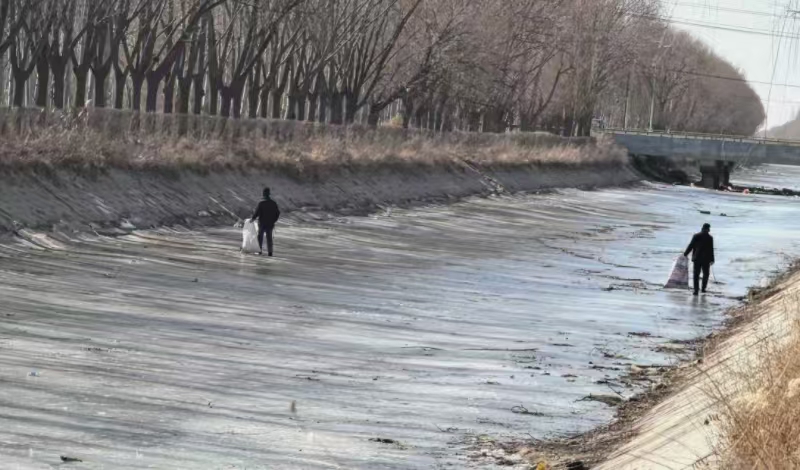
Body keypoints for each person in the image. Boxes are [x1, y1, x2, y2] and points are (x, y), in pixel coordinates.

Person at [684, 223, 715, 296]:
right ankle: (703, 289)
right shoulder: (710, 237)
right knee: (706, 274)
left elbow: (691, 245)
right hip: (706, 259)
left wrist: (685, 254)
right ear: (707, 229)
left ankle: (696, 290)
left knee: (696, 274)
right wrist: (712, 259)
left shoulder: (696, 236)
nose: (709, 230)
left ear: (702, 228)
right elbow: (711, 249)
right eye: (709, 229)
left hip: (697, 258)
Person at [251, 187, 280, 256]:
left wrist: (252, 219)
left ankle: (259, 251)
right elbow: (278, 213)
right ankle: (270, 252)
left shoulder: (261, 203)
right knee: (269, 238)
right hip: (270, 224)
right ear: (269, 194)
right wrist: (273, 220)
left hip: (262, 223)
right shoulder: (273, 203)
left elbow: (257, 213)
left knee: (260, 237)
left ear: (263, 194)